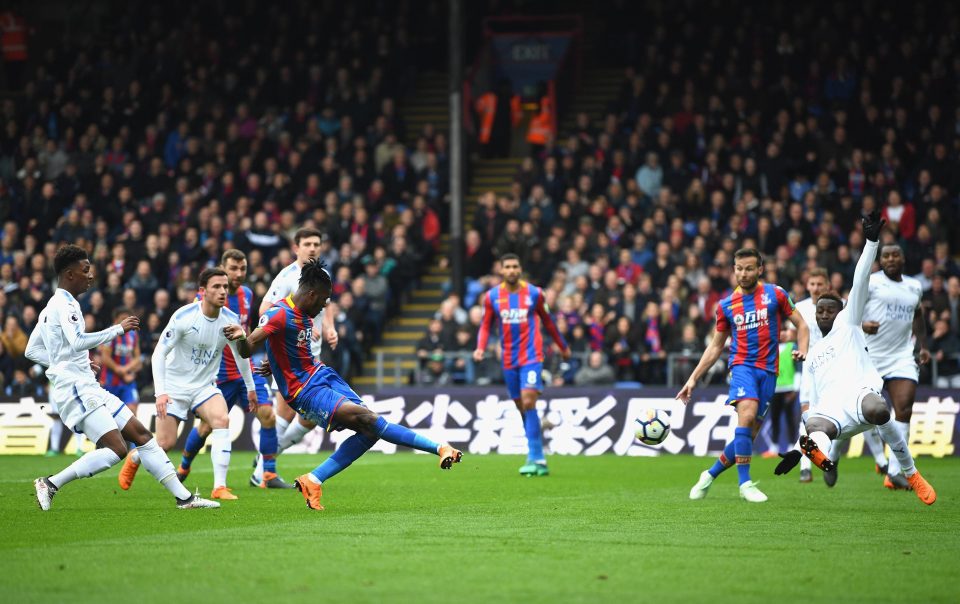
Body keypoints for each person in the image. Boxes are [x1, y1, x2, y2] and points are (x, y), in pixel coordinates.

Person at [226, 259, 462, 511]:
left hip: (322, 375)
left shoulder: (305, 313)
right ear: (311, 293)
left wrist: (275, 364)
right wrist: (242, 337)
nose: (326, 304)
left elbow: (288, 347)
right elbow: (248, 348)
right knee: (370, 421)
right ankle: (438, 447)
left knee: (370, 431)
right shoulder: (279, 314)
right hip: (304, 391)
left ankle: (313, 480)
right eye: (324, 299)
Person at [26, 244, 218, 510]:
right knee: (117, 449)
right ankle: (51, 483)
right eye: (85, 271)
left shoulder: (50, 307)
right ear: (69, 274)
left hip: (87, 385)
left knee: (142, 435)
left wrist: (65, 362)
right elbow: (78, 340)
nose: (91, 276)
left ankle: (184, 498)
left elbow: (32, 350)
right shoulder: (65, 305)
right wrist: (119, 329)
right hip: (75, 389)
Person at [775, 211, 935, 505]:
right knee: (814, 428)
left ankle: (910, 473)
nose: (824, 314)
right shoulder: (812, 355)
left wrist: (871, 242)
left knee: (879, 409)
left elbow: (860, 279)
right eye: (820, 311)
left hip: (860, 397)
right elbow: (809, 402)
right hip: (831, 413)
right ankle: (822, 457)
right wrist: (801, 449)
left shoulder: (848, 324)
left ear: (843, 311)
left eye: (830, 309)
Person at [677, 248, 809, 503]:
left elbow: (801, 324)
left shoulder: (775, 294)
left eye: (749, 268)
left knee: (747, 435)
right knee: (746, 415)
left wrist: (802, 349)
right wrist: (693, 378)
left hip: (769, 372)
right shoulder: (726, 305)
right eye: (739, 268)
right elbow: (716, 346)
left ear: (760, 269)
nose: (743, 273)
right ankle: (745, 483)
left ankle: (709, 474)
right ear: (733, 270)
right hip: (742, 367)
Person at [118, 267, 255, 501]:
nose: (223, 291)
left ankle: (219, 487)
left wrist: (251, 387)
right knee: (164, 444)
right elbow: (158, 354)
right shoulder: (184, 317)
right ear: (202, 291)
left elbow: (241, 355)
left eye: (225, 287)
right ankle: (135, 457)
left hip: (204, 387)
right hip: (174, 387)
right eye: (216, 287)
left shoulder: (231, 321)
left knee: (222, 420)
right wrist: (160, 393)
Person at [176, 250, 293, 489]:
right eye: (233, 269)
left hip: (245, 369)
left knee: (268, 416)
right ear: (222, 269)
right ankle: (184, 465)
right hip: (218, 375)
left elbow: (246, 330)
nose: (239, 274)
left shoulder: (248, 295)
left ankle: (268, 474)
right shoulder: (205, 301)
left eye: (243, 269)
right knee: (207, 426)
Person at [473, 253, 571, 477]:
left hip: (531, 355)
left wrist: (562, 346)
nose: (511, 270)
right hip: (508, 358)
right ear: (501, 270)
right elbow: (485, 326)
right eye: (507, 267)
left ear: (520, 269)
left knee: (528, 400)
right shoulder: (492, 297)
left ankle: (536, 457)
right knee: (523, 408)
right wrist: (480, 347)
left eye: (515, 266)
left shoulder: (535, 293)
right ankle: (538, 432)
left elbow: (549, 322)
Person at [792, 268, 889, 485]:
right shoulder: (800, 308)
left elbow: (850, 325)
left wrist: (864, 326)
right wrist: (797, 346)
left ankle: (879, 460)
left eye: (820, 284)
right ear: (807, 286)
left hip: (841, 368)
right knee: (809, 415)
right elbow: (796, 331)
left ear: (827, 285)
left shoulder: (842, 306)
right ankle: (806, 468)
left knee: (856, 415)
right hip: (813, 366)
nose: (816, 288)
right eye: (812, 284)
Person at [256, 228, 338, 475]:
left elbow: (327, 305)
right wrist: (298, 324)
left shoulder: (322, 274)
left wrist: (329, 327)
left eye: (316, 244)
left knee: (312, 417)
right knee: (285, 412)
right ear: (296, 248)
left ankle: (265, 458)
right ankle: (262, 472)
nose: (312, 248)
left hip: (312, 357)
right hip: (289, 357)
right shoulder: (286, 277)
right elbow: (265, 310)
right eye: (307, 244)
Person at [860, 243, 931, 490]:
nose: (890, 259)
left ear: (903, 258)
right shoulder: (871, 282)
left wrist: (922, 345)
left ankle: (894, 472)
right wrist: (861, 325)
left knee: (904, 408)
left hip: (901, 356)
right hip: (870, 357)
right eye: (886, 256)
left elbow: (918, 316)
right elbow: (848, 312)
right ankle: (834, 454)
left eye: (895, 255)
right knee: (865, 414)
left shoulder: (914, 286)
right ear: (880, 260)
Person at [98, 307, 141, 412]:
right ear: (116, 320)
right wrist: (120, 371)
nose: (126, 321)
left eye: (128, 319)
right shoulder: (110, 333)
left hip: (127, 381)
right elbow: (105, 358)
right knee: (109, 414)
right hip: (110, 381)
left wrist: (126, 369)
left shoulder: (133, 334)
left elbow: (137, 358)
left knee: (132, 409)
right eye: (123, 318)